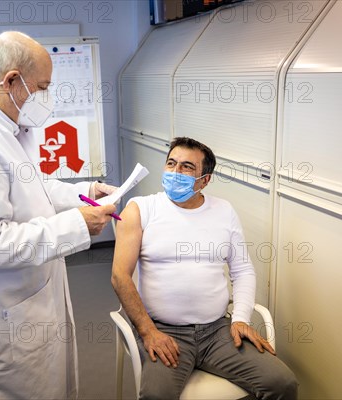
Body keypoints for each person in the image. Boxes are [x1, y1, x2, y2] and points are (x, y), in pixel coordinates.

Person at [0, 31, 118, 399]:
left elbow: (32, 182)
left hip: (26, 299)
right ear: (12, 80)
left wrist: (86, 193)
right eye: (42, 87)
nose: (45, 97)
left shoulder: (6, 124)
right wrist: (76, 225)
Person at [111, 137, 298, 399]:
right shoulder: (141, 210)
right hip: (163, 331)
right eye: (171, 163)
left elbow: (242, 270)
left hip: (218, 331)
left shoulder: (224, 211)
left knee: (283, 383)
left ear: (205, 180)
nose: (176, 172)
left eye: (187, 167)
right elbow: (120, 277)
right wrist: (148, 331)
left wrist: (241, 318)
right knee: (156, 395)